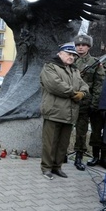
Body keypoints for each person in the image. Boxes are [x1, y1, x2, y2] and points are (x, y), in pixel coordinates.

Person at [39, 42, 89, 180]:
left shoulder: (74, 70)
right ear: (60, 53)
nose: (71, 57)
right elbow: (55, 85)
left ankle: (57, 167)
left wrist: (83, 93)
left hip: (70, 113)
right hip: (54, 112)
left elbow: (84, 85)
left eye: (74, 55)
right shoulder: (50, 67)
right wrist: (74, 94)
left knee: (63, 145)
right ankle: (46, 168)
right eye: (68, 54)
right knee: (50, 143)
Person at [72, 34, 105, 170]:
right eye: (78, 45)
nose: (80, 47)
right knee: (81, 130)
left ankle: (96, 156)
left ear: (89, 47)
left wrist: (95, 103)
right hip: (80, 102)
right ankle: (78, 156)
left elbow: (99, 83)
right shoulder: (71, 61)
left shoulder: (95, 62)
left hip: (94, 102)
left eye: (83, 45)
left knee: (96, 131)